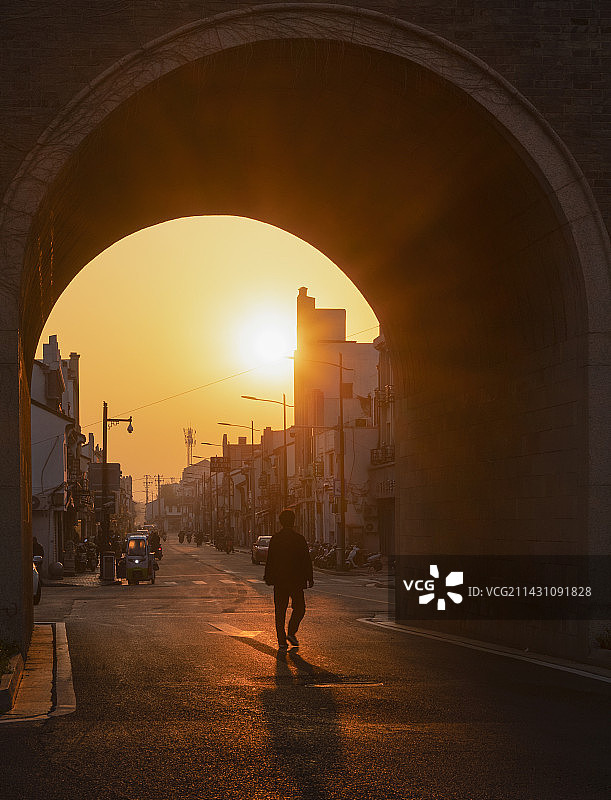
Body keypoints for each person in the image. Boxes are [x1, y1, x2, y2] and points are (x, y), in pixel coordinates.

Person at [264, 509, 314, 650]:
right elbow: (306, 560)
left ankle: (281, 640)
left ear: (280, 522)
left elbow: (270, 560)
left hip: (280, 580)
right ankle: (291, 631)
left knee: (280, 611)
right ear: (293, 521)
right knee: (300, 608)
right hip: (296, 580)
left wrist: (268, 576)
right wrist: (309, 577)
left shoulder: (276, 539)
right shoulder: (299, 539)